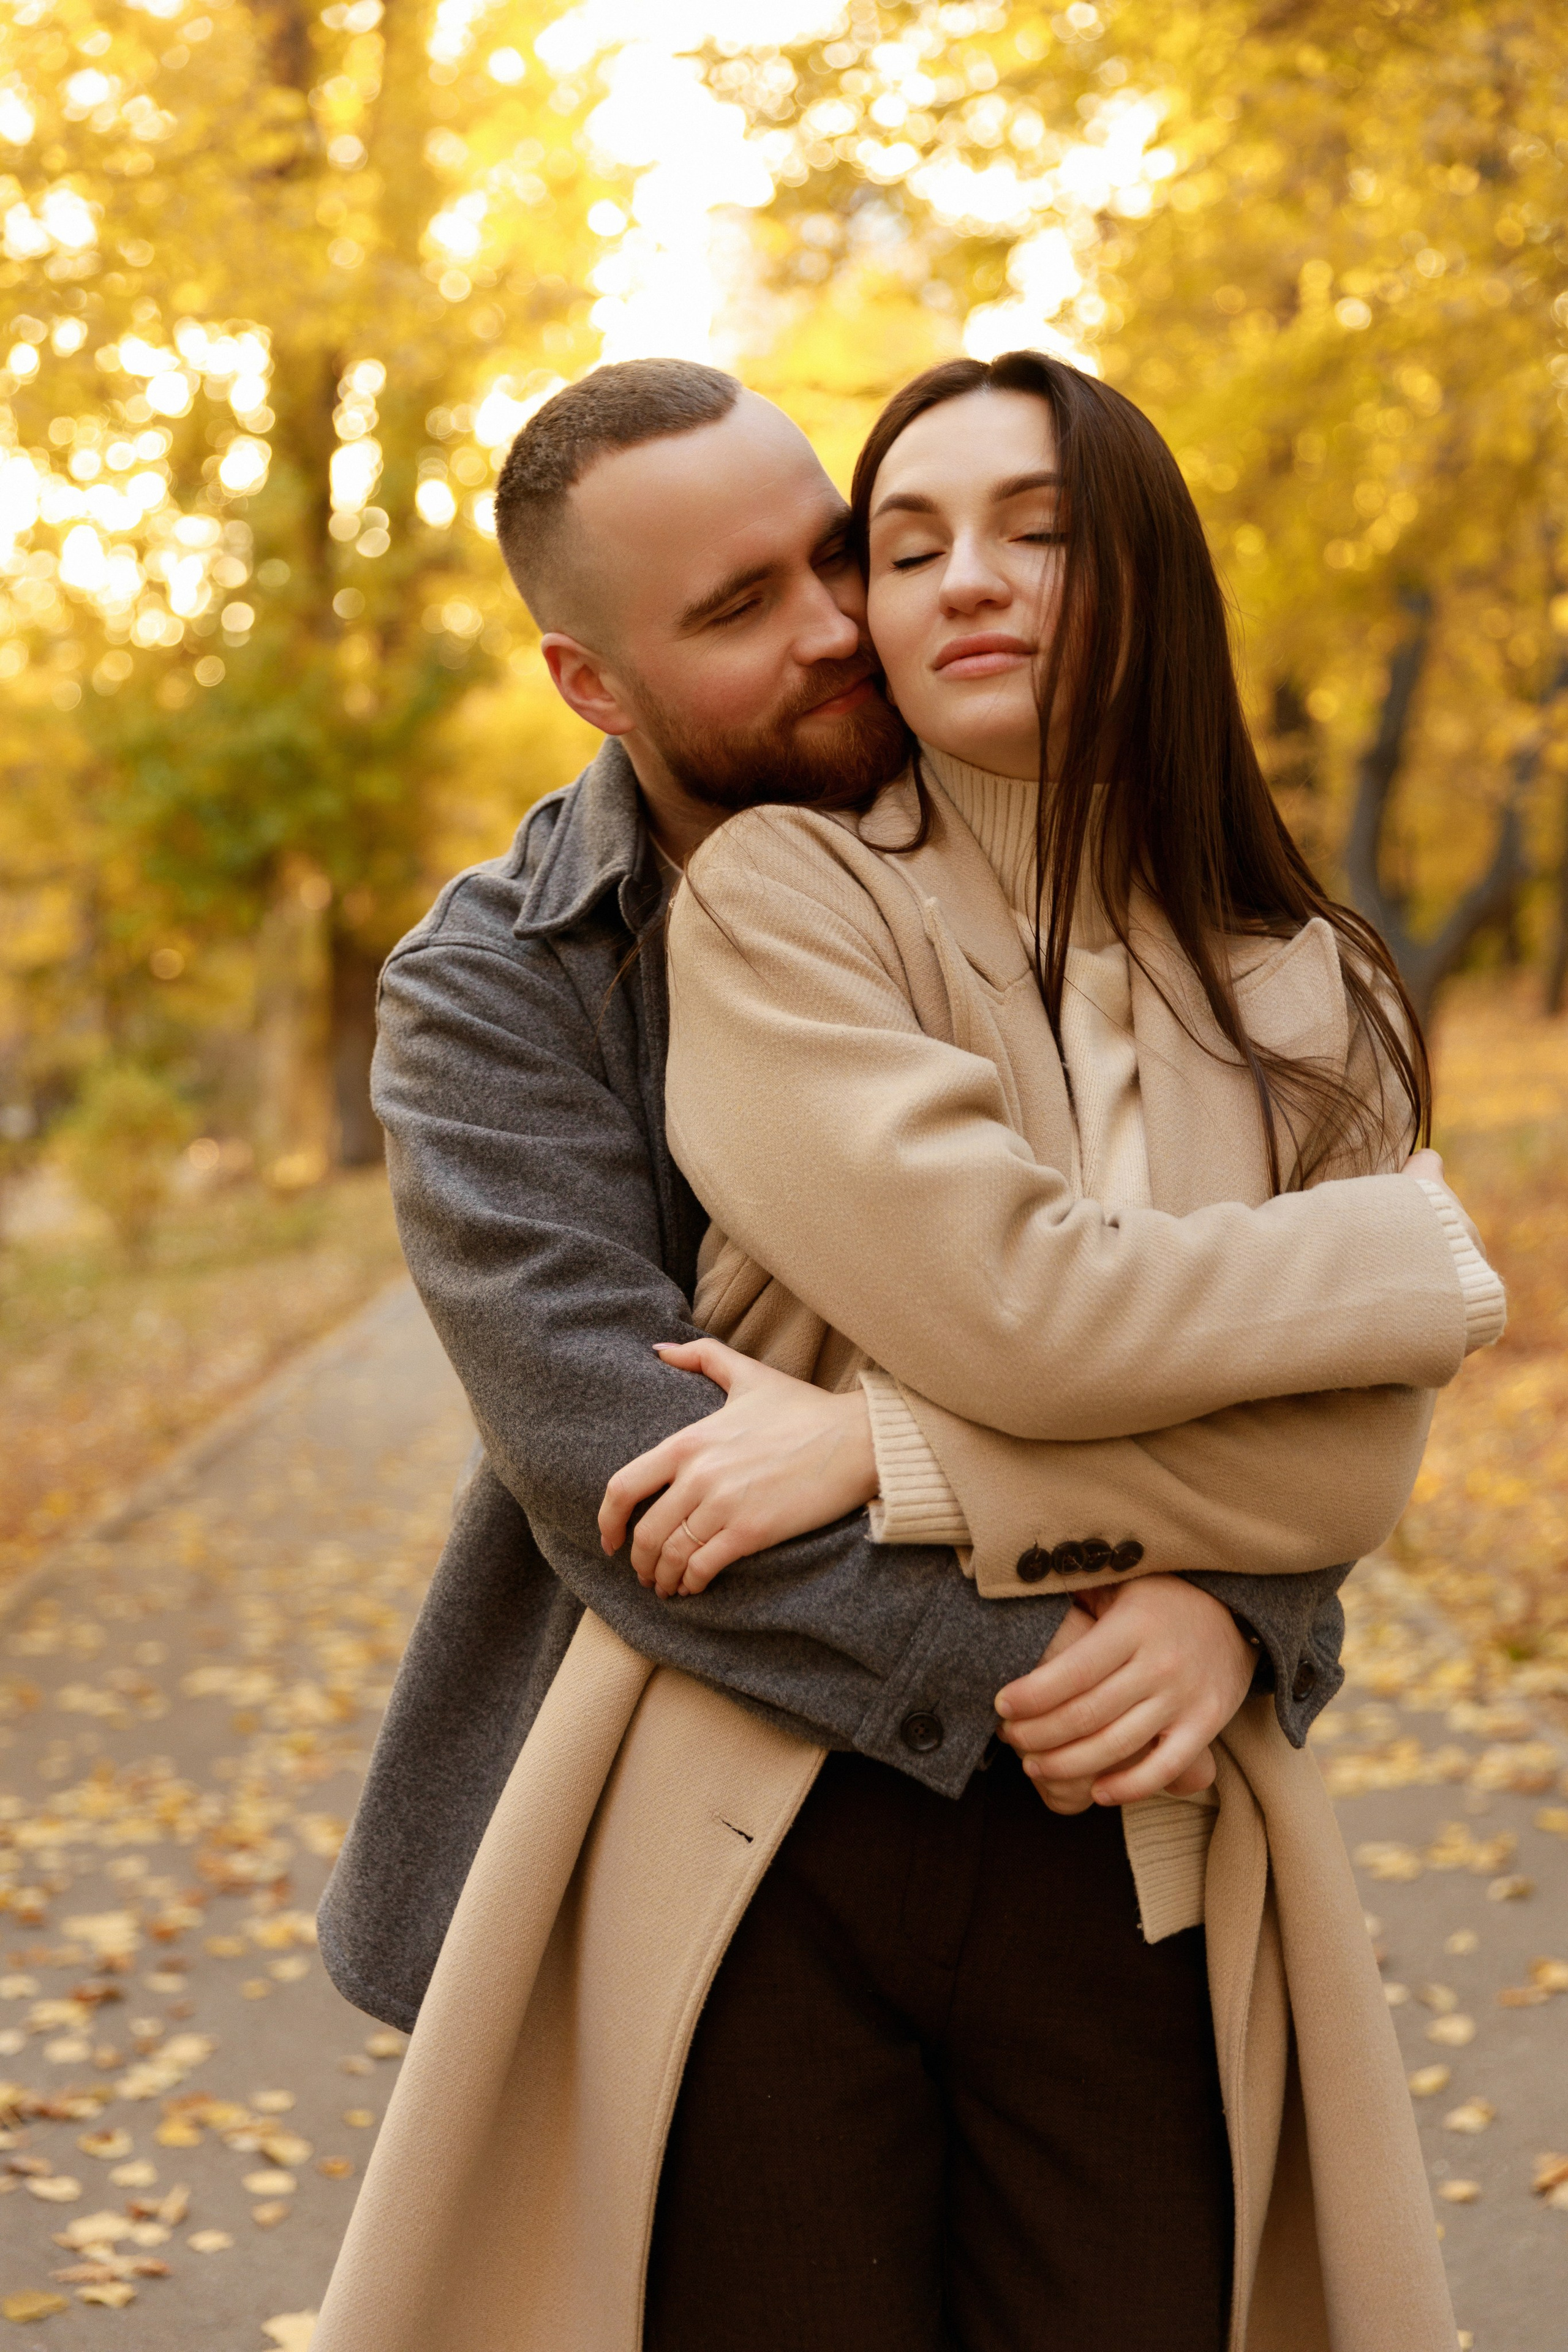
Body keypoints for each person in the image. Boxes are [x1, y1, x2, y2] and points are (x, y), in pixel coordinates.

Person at [311, 359, 1496, 2352]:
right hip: (753, 1772)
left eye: (832, 553)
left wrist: (1224, 1606)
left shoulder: (1258, 965)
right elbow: (633, 1459)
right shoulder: (521, 977)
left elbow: (1332, 1465)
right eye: (741, 609)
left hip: (1129, 1820)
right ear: (594, 684)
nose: (852, 619)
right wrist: (1097, 1645)